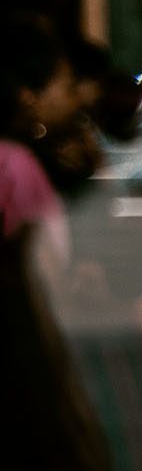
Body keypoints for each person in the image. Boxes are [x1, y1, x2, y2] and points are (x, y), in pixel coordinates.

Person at [0, 14, 79, 283]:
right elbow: (42, 274)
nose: (76, 99)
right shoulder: (15, 166)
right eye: (67, 87)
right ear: (28, 96)